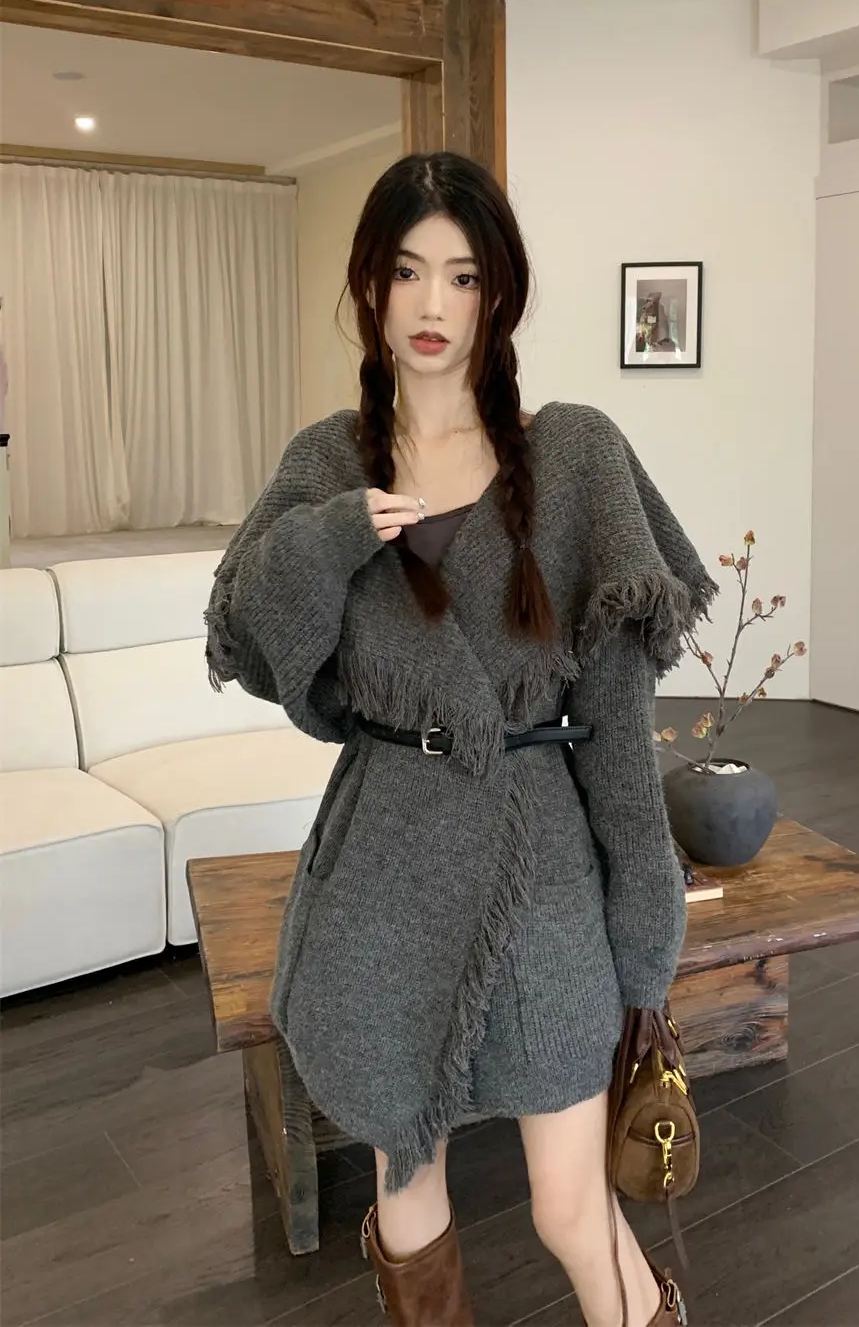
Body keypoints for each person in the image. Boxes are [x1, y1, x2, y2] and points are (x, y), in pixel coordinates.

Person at [206, 151, 715, 1327]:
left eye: (464, 275)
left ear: (499, 294)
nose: (432, 304)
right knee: (405, 1181)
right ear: (369, 285)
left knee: (573, 1208)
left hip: (541, 868)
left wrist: (645, 940)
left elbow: (617, 731)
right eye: (406, 271)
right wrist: (331, 539)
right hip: (381, 862)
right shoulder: (324, 462)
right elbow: (253, 644)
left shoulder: (575, 454)